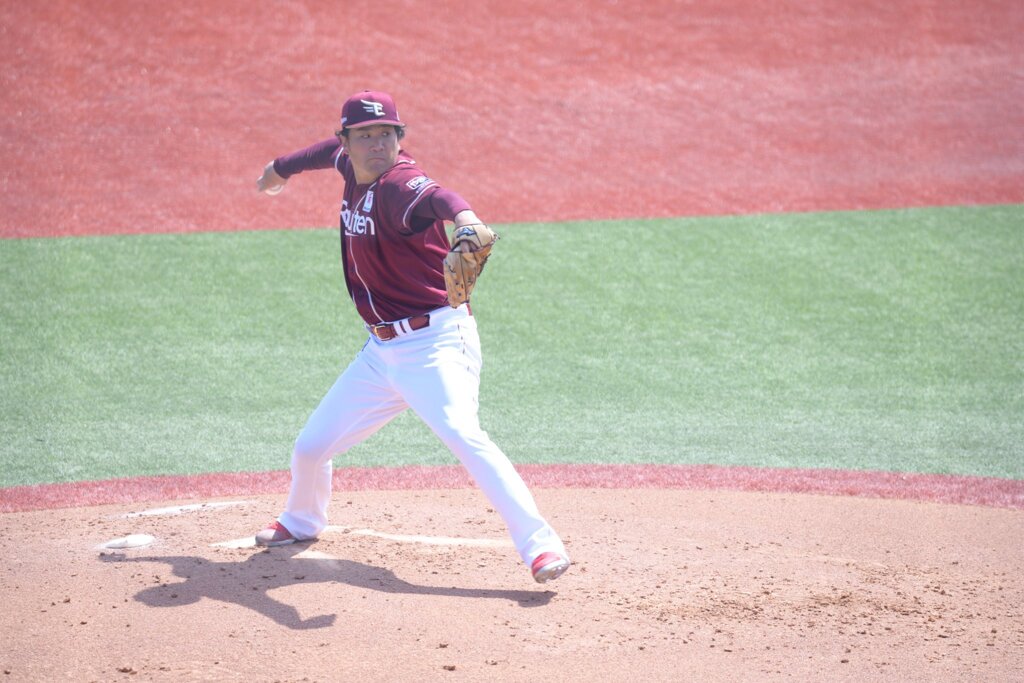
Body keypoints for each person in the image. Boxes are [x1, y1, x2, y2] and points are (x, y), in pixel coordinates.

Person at [253, 90, 570, 583]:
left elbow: (441, 198)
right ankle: (301, 520)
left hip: (436, 344)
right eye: (365, 135)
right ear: (348, 141)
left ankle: (541, 547)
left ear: (400, 139)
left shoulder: (401, 185)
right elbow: (320, 153)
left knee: (463, 434)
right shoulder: (347, 163)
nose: (377, 143)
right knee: (311, 447)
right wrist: (279, 168)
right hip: (381, 354)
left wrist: (465, 219)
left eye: (387, 134)